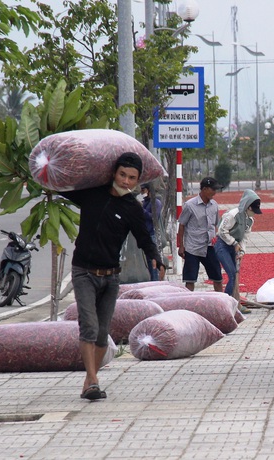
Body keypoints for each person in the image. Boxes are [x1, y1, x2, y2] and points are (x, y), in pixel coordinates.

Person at [60, 152, 161, 401]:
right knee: (89, 328)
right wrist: (49, 172)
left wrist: (156, 257)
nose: (126, 181)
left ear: (138, 181)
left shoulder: (132, 208)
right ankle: (93, 380)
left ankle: (88, 381)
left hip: (111, 277)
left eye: (132, 178)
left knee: (103, 335)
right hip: (83, 272)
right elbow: (64, 185)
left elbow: (144, 237)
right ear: (114, 173)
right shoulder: (92, 193)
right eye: (122, 175)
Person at [215, 189, 262, 313]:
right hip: (223, 245)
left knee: (236, 275)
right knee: (231, 274)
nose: (254, 214)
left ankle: (235, 304)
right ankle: (225, 306)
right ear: (247, 206)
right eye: (253, 210)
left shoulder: (250, 220)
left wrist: (241, 252)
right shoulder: (232, 215)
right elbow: (221, 231)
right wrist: (234, 243)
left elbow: (244, 238)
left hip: (234, 247)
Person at [178, 177, 224, 292]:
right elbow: (182, 225)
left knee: (217, 277)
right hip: (192, 248)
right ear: (204, 189)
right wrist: (181, 246)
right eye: (213, 189)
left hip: (209, 246)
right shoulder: (189, 205)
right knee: (190, 279)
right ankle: (189, 303)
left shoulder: (214, 205)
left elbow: (215, 224)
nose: (215, 192)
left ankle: (221, 302)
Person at [140, 183, 163, 280]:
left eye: (143, 190)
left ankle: (155, 280)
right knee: (148, 262)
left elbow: (153, 217)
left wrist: (141, 210)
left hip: (151, 234)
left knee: (152, 260)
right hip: (145, 234)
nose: (142, 192)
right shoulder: (145, 202)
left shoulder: (155, 203)